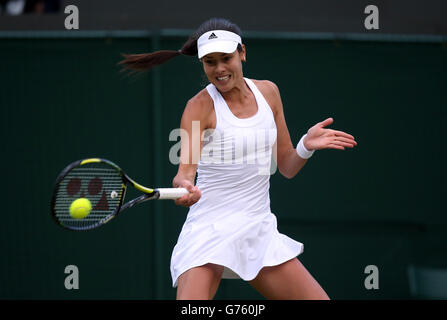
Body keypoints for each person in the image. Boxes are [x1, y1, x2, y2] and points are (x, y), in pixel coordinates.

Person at [119, 17, 357, 300]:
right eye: (210, 62)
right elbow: (185, 173)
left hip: (257, 229)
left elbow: (287, 167)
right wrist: (185, 187)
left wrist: (306, 145)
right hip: (209, 230)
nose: (219, 69)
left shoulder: (269, 92)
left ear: (242, 52)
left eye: (226, 58)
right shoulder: (198, 108)